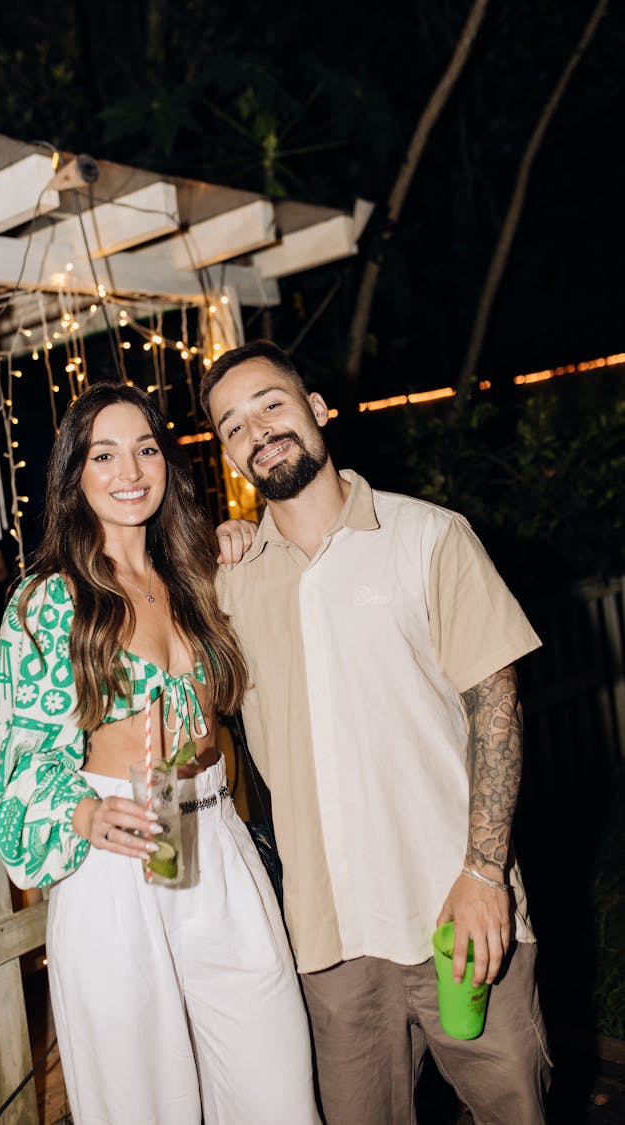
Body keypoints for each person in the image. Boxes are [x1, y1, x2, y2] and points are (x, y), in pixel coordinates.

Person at [201, 340, 552, 1125]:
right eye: (233, 426)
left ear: (318, 407)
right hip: (330, 944)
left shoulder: (429, 536)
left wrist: (487, 873)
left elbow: (497, 707)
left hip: (459, 914)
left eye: (272, 403)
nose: (257, 429)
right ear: (228, 454)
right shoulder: (228, 588)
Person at [0, 380, 320, 1125]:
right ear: (75, 476)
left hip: (213, 835)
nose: (129, 469)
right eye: (103, 454)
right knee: (145, 1101)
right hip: (122, 858)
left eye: (144, 448)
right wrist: (80, 810)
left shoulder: (195, 572)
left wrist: (237, 536)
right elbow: (17, 758)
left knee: (275, 1084)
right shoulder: (49, 599)